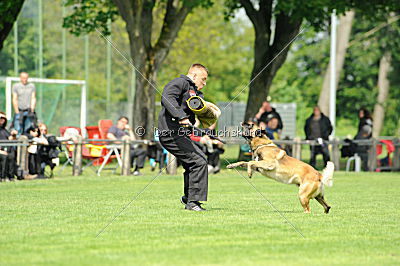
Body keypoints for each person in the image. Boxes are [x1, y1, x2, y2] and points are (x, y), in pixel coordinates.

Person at [158, 63, 209, 211]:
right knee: (198, 161)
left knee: (195, 161)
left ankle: (189, 198)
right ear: (193, 75)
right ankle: (193, 202)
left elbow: (196, 110)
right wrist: (180, 116)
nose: (204, 83)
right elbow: (167, 97)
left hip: (181, 134)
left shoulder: (194, 92)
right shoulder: (180, 82)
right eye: (203, 79)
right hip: (170, 133)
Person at [0, 112, 18, 182]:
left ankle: (11, 176)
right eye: (0, 118)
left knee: (11, 155)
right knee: (4, 156)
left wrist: (14, 135)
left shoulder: (4, 130)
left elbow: (11, 139)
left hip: (6, 150)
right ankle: (2, 177)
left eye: (3, 119)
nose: (2, 120)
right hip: (1, 151)